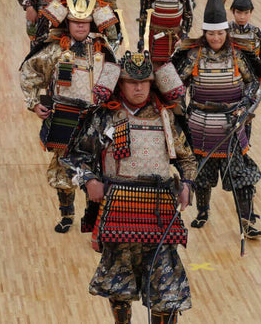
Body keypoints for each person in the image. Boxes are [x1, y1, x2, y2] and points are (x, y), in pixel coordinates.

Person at [62, 46, 196, 324]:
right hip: (118, 207)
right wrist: (90, 180)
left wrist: (186, 183)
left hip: (160, 210)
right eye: (132, 83)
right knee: (119, 285)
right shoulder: (104, 117)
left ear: (152, 83)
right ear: (120, 84)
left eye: (143, 83)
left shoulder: (165, 116)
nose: (138, 89)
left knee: (167, 287)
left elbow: (186, 157)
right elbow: (75, 156)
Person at [20, 0, 121, 233]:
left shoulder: (102, 50)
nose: (80, 27)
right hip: (64, 116)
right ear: (68, 22)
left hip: (95, 118)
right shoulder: (55, 49)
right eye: (75, 22)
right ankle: (66, 214)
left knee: (94, 168)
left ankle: (91, 213)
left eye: (85, 22)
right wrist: (34, 103)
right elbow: (29, 72)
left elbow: (116, 76)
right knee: (63, 168)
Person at [171, 0, 261, 239]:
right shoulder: (193, 55)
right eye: (211, 34)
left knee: (242, 178)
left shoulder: (238, 55)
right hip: (200, 124)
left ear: (226, 32)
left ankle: (247, 222)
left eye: (220, 33)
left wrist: (244, 107)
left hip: (232, 125)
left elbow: (254, 83)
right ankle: (202, 212)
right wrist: (179, 117)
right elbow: (176, 85)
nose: (216, 38)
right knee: (202, 174)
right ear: (205, 33)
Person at [138, 0, 194, 68]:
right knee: (152, 70)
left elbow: (188, 17)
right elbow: (143, 19)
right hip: (153, 41)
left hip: (174, 40)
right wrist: (143, 43)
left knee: (173, 68)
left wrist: (183, 37)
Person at [227, 0, 261, 82]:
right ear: (233, 11)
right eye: (239, 12)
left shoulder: (257, 33)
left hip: (251, 79)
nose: (242, 17)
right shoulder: (224, 31)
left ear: (251, 12)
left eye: (246, 13)